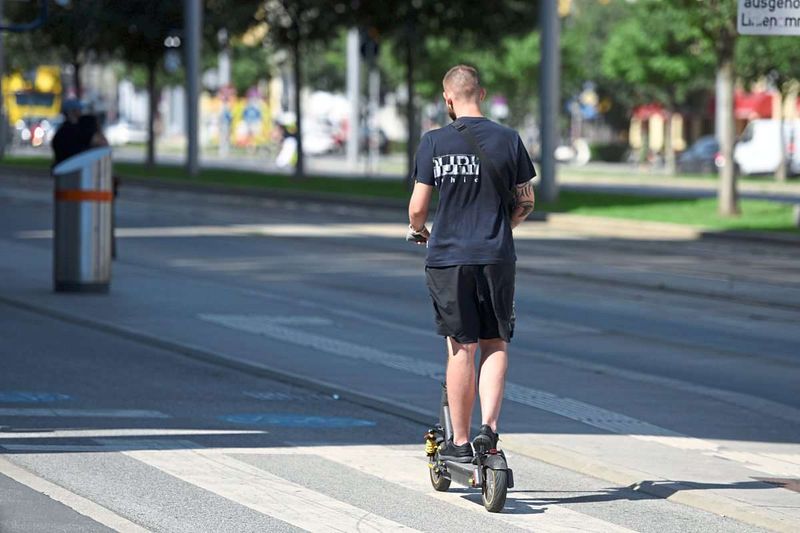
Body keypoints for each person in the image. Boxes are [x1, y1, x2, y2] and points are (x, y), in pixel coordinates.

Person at [407, 65, 536, 462]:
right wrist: (504, 225)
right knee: (494, 341)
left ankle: (459, 443)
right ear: (481, 93)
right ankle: (489, 432)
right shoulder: (509, 139)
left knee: (460, 348)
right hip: (496, 255)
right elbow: (526, 200)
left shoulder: (433, 142)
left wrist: (421, 231)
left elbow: (417, 209)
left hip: (448, 258)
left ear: (447, 98)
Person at [51, 99, 107, 166]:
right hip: (77, 170)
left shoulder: (60, 133)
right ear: (72, 111)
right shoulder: (78, 131)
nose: (81, 112)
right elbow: (102, 144)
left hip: (64, 170)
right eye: (79, 109)